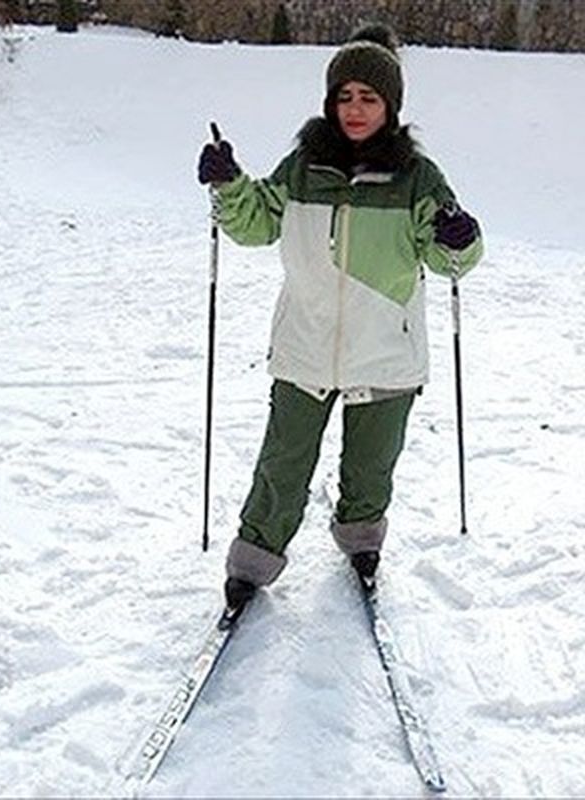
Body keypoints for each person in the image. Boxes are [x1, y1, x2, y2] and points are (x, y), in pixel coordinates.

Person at [196, 23, 483, 615]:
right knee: (283, 461)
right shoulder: (303, 167)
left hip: (386, 352)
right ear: (330, 102)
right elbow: (256, 222)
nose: (355, 110)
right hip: (306, 343)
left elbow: (448, 257)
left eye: (369, 98)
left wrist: (462, 236)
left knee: (371, 466)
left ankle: (361, 540)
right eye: (344, 97)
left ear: (391, 106)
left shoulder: (417, 178)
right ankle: (252, 560)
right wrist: (228, 185)